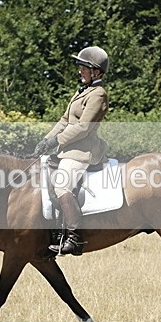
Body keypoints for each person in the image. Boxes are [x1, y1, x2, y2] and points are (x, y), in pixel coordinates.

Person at [32, 46, 109, 255]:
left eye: (83, 68)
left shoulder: (98, 94)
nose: (79, 71)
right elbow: (65, 120)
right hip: (67, 149)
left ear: (96, 72)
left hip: (82, 151)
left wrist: (56, 141)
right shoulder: (82, 91)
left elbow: (83, 128)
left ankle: (75, 238)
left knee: (62, 185)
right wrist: (46, 140)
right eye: (80, 67)